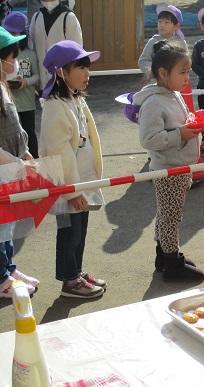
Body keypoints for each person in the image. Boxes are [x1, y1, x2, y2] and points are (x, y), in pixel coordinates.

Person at [39, 40, 106, 299]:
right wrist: (71, 191)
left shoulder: (74, 99)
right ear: (61, 72)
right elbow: (60, 154)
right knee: (69, 232)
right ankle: (69, 280)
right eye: (81, 67)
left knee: (80, 229)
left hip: (82, 182)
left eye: (87, 67)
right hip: (68, 185)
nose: (87, 74)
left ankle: (76, 271)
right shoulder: (56, 107)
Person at [133, 43, 204, 282]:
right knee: (171, 217)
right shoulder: (154, 103)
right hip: (168, 169)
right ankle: (172, 263)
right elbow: (149, 139)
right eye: (182, 72)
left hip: (180, 165)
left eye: (188, 72)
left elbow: (179, 121)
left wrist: (193, 121)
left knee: (167, 215)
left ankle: (164, 256)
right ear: (163, 73)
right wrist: (180, 135)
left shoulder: (172, 94)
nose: (187, 78)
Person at [0, 27, 39, 298]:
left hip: (10, 167)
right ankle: (2, 278)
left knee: (8, 223)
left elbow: (14, 127)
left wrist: (24, 152)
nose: (14, 62)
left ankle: (8, 268)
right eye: (9, 57)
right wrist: (15, 161)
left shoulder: (3, 87)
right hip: (3, 166)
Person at [3, 12, 40, 158]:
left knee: (29, 133)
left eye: (13, 32)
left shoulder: (30, 54)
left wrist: (25, 82)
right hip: (10, 104)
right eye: (8, 32)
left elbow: (37, 76)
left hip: (27, 103)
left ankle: (35, 161)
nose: (10, 36)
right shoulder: (5, 54)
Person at [29, 0, 83, 91]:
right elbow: (31, 48)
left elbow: (77, 52)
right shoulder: (36, 17)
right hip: (43, 83)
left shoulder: (69, 17)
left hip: (64, 83)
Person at [138, 5, 188, 82]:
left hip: (175, 81)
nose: (162, 25)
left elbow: (186, 62)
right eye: (160, 22)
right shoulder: (153, 41)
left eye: (166, 22)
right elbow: (143, 60)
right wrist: (152, 70)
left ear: (176, 26)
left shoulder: (181, 42)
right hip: (156, 82)